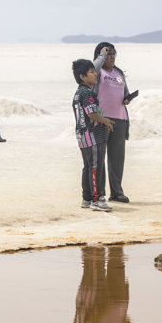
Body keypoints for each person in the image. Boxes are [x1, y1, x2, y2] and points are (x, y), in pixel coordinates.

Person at [72, 59, 114, 211]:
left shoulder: (78, 93)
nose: (95, 74)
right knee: (96, 167)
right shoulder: (88, 93)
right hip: (92, 136)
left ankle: (86, 198)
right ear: (82, 77)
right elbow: (91, 113)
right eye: (91, 72)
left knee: (88, 167)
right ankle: (97, 200)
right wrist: (105, 121)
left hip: (82, 135)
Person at [93, 42, 132, 203]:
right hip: (101, 119)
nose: (112, 56)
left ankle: (116, 192)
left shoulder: (118, 72)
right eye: (108, 53)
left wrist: (127, 97)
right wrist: (101, 56)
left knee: (117, 158)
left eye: (114, 53)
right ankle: (99, 193)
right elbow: (94, 68)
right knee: (100, 157)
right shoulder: (95, 71)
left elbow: (125, 91)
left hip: (120, 119)